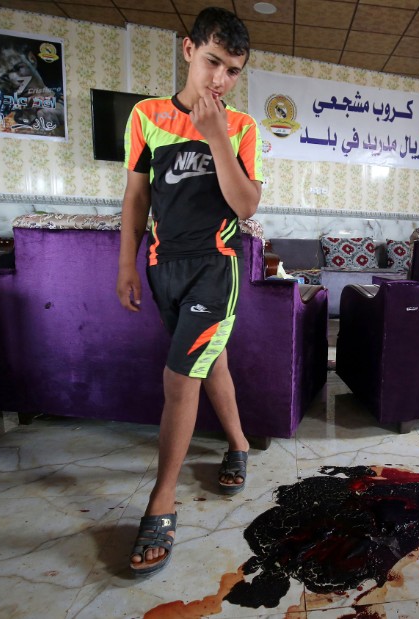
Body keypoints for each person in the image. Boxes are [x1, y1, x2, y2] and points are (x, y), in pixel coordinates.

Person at [115, 6, 262, 579]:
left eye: (232, 71)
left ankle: (162, 501)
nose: (220, 79)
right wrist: (126, 265)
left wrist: (217, 136)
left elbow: (246, 206)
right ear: (187, 50)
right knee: (209, 360)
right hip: (162, 268)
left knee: (180, 377)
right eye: (212, 62)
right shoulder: (146, 116)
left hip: (214, 269)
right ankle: (240, 444)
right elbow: (135, 199)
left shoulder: (243, 126)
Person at [0, 42, 66, 136]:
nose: (14, 81)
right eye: (4, 77)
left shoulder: (68, 105)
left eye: (18, 68)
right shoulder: (3, 126)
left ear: (32, 59)